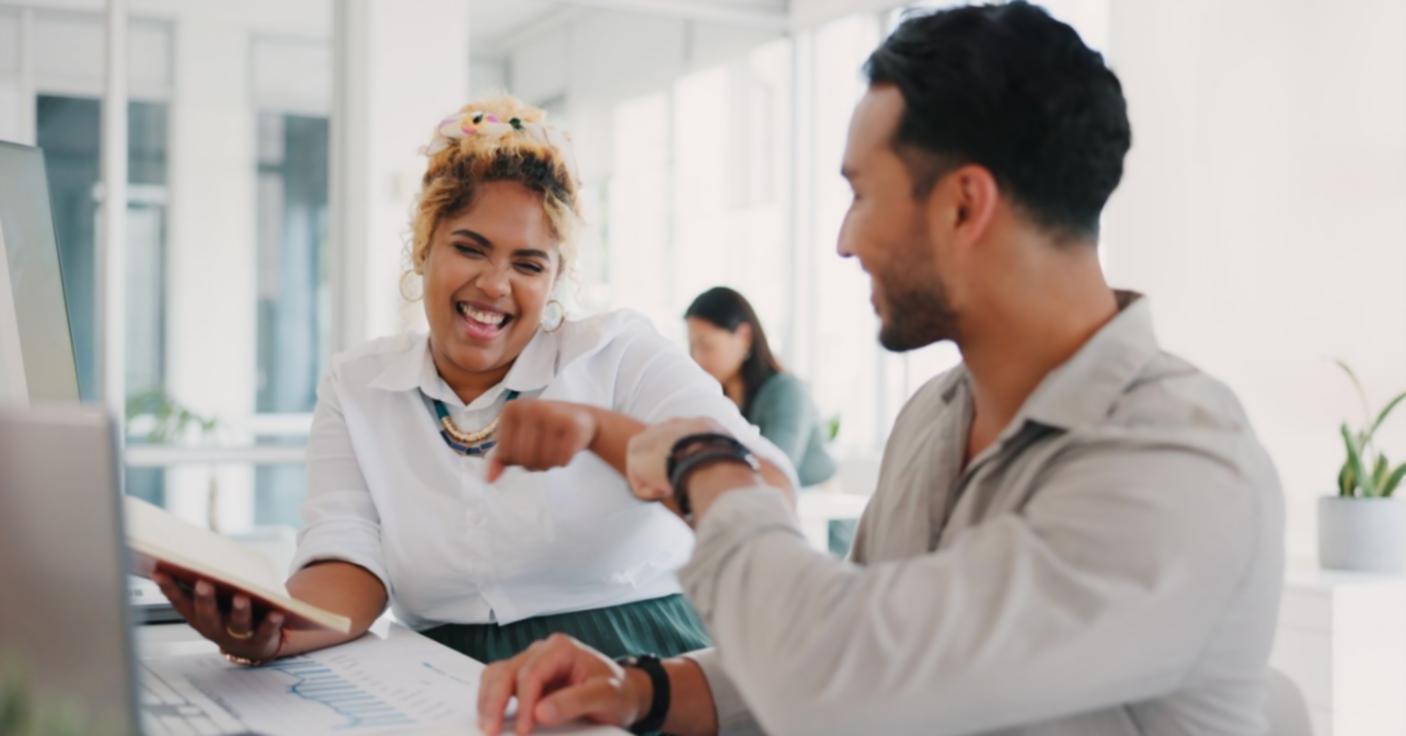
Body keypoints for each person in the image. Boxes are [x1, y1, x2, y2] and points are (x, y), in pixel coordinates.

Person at [475, 4, 1284, 735]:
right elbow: (861, 636)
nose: (844, 240)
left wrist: (705, 464)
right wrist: (642, 689)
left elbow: (838, 679)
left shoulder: (1179, 467)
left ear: (965, 206)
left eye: (861, 194)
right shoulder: (935, 415)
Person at [152, 96, 796, 669]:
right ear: (422, 247)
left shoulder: (618, 353)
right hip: (443, 675)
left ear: (553, 279)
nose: (495, 284)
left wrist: (602, 432)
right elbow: (347, 557)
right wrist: (277, 632)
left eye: (527, 263)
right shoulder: (358, 384)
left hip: (636, 662)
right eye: (470, 247)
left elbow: (764, 490)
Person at [685, 287, 836, 487]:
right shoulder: (718, 397)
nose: (697, 358)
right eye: (692, 347)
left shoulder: (788, 391)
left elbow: (774, 468)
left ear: (744, 336)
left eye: (706, 346)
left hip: (819, 509)